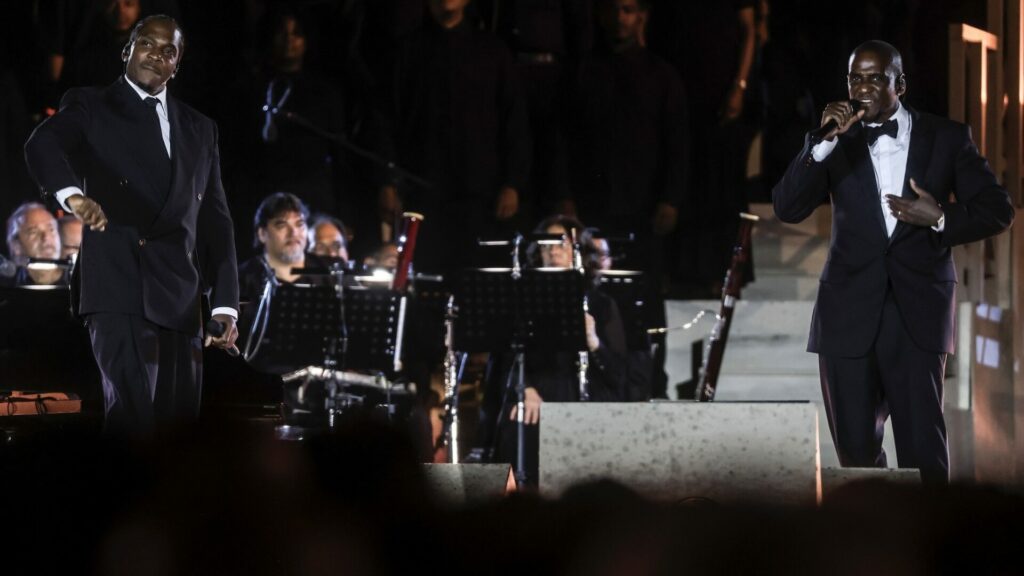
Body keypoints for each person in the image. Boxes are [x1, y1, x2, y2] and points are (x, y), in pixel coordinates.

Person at [772, 40, 1014, 483]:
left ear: (899, 84)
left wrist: (939, 217)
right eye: (855, 79)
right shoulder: (833, 141)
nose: (862, 88)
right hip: (847, 316)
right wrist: (822, 144)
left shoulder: (946, 137)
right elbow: (787, 208)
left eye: (874, 78)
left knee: (924, 452)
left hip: (918, 314)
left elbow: (998, 209)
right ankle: (873, 527)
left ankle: (930, 528)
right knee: (856, 457)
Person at [24, 15, 239, 437]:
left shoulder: (200, 128)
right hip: (118, 283)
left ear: (177, 65)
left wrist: (225, 305)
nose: (156, 55)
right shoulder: (91, 105)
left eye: (168, 51)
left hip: (180, 296)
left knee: (179, 435)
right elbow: (42, 144)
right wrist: (73, 196)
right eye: (147, 44)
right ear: (127, 50)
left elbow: (216, 220)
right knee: (133, 425)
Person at [478, 215, 627, 486]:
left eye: (562, 243)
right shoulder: (523, 300)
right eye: (546, 245)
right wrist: (524, 388)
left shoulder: (602, 304)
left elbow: (618, 374)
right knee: (519, 415)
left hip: (585, 393)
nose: (554, 251)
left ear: (578, 251)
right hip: (536, 390)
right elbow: (506, 359)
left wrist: (594, 341)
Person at [3, 201, 67, 287]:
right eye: (34, 232)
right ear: (16, 246)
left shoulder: (79, 279)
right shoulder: (6, 285)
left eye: (51, 230)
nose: (46, 237)